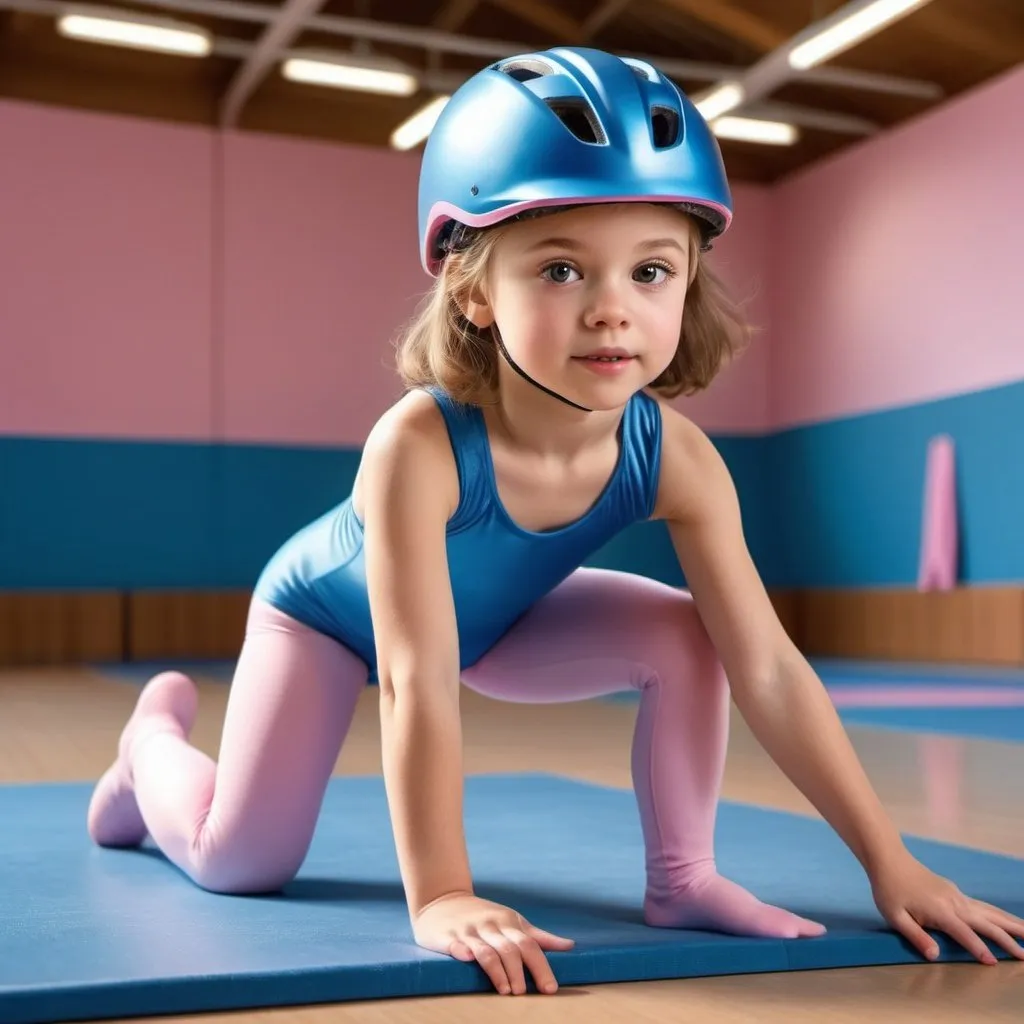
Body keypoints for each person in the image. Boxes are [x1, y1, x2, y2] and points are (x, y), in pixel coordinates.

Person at [86, 46, 1024, 997]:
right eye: (564, 270)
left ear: (690, 279)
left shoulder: (678, 458)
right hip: (326, 623)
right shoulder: (416, 444)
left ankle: (683, 879)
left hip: (498, 620)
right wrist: (444, 892)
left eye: (652, 271)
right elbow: (416, 680)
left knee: (688, 632)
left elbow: (770, 667)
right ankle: (148, 752)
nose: (613, 311)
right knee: (240, 861)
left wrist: (889, 860)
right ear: (474, 289)